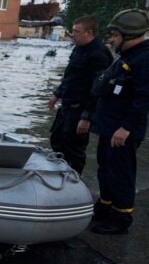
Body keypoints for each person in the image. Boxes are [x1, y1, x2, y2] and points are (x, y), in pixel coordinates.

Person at [89, 9, 149, 235]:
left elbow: (144, 98)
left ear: (129, 35)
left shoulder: (146, 59)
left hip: (122, 130)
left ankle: (121, 217)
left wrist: (126, 127)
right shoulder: (128, 57)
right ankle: (105, 206)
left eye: (116, 35)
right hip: (109, 126)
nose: (113, 39)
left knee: (120, 173)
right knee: (105, 169)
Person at [47, 16, 113, 175]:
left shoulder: (99, 54)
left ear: (89, 33)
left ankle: (74, 181)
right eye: (72, 31)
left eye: (76, 32)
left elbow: (98, 89)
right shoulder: (78, 48)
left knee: (74, 149)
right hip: (67, 106)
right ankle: (58, 175)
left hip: (81, 109)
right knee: (56, 140)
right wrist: (57, 94)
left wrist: (87, 116)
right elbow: (70, 76)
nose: (72, 35)